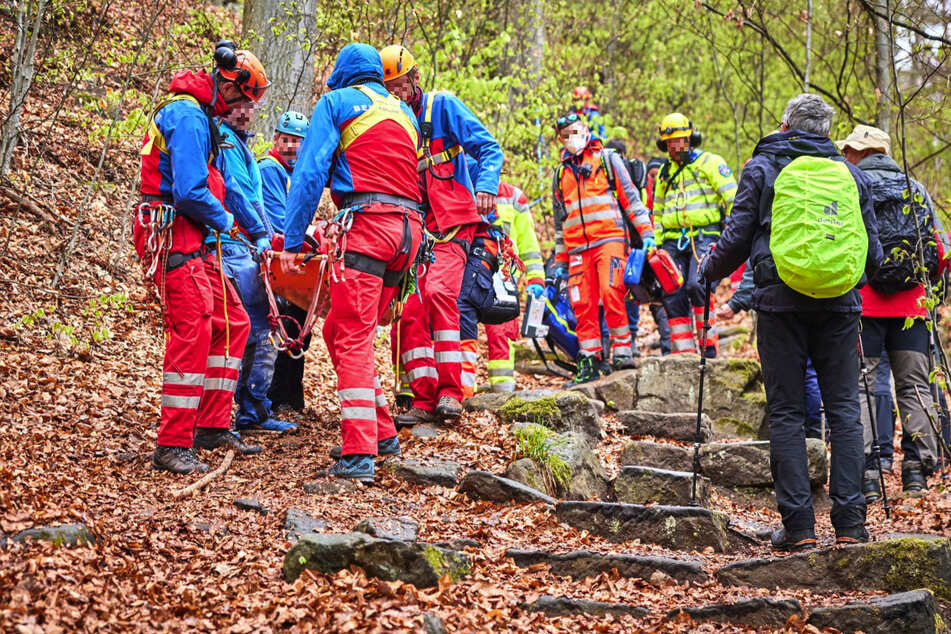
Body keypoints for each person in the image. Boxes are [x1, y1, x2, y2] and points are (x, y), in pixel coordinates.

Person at [699, 93, 883, 550]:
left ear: (784, 125)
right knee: (843, 411)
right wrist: (851, 280)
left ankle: (799, 528)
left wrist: (706, 272)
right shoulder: (851, 175)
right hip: (839, 305)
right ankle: (851, 525)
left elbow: (737, 238)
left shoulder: (762, 168)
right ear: (827, 133)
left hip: (779, 303)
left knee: (786, 412)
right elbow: (874, 256)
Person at [279, 43, 424, 482]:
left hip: (370, 228)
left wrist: (291, 242)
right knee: (340, 328)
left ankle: (359, 452)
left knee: (351, 336)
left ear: (342, 75)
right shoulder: (404, 112)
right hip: (409, 233)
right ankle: (382, 433)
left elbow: (309, 173)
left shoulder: (337, 102)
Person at [135, 42, 268, 474]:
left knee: (234, 322)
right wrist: (227, 221)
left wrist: (255, 230)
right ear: (228, 86)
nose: (244, 108)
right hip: (175, 233)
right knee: (192, 329)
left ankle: (211, 425)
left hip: (199, 235)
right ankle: (172, 442)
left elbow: (218, 186)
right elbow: (190, 190)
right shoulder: (189, 116)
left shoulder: (203, 116)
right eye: (244, 99)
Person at [379, 44, 504, 425]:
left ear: (414, 80)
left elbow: (488, 148)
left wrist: (486, 186)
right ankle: (423, 397)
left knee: (439, 294)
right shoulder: (387, 119)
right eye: (389, 88)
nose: (395, 94)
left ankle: (451, 392)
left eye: (400, 86)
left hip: (454, 224)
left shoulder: (441, 108)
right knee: (410, 311)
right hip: (415, 230)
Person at [836, 124, 942, 497]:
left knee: (863, 386)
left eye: (849, 149)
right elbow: (940, 247)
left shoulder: (850, 185)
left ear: (863, 153)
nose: (845, 155)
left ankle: (866, 474)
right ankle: (917, 471)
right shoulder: (916, 189)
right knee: (915, 386)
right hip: (912, 305)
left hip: (865, 303)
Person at [214, 100, 299, 435]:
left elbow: (255, 201)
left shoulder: (241, 148)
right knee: (245, 332)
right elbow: (238, 196)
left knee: (263, 330)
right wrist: (263, 235)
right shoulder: (226, 144)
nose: (245, 112)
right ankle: (229, 414)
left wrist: (268, 239)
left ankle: (252, 409)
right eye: (238, 105)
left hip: (248, 248)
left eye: (250, 106)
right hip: (234, 246)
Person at [551, 113, 654, 384]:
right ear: (559, 141)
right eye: (565, 135)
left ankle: (621, 351)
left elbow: (631, 199)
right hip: (576, 249)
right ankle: (591, 358)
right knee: (582, 304)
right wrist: (559, 263)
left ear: (585, 130)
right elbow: (560, 223)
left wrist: (647, 234)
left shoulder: (607, 159)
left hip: (609, 239)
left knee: (611, 293)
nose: (571, 138)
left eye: (574, 131)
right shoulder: (561, 173)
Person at [458, 159, 545, 397]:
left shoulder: (513, 197)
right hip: (467, 274)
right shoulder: (463, 188)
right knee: (463, 332)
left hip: (502, 277)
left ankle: (503, 395)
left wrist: (537, 279)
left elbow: (528, 244)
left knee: (501, 335)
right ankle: (465, 393)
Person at [653, 113, 737, 357]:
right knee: (672, 292)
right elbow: (657, 210)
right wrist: (656, 243)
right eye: (670, 142)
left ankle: (708, 347)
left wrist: (730, 234)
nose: (676, 146)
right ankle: (683, 354)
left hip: (704, 235)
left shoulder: (711, 163)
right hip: (670, 240)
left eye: (680, 140)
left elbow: (733, 199)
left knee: (697, 284)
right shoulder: (664, 173)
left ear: (690, 138)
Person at [258, 111, 311, 414]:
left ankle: (291, 397)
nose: (292, 147)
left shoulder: (294, 175)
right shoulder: (270, 170)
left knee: (299, 326)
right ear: (276, 139)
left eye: (297, 142)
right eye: (286, 140)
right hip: (275, 261)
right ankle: (278, 398)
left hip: (290, 259)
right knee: (287, 326)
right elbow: (279, 221)